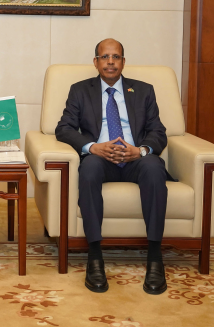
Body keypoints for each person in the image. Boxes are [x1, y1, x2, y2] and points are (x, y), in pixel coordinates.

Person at [55, 38, 173, 295]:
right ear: (96, 62)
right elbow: (63, 128)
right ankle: (94, 258)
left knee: (154, 168)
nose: (110, 62)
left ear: (123, 62)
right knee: (88, 169)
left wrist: (140, 150)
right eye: (105, 57)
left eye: (116, 57)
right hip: (101, 158)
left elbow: (158, 132)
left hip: (135, 159)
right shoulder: (80, 90)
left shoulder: (144, 90)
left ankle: (155, 258)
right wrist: (92, 147)